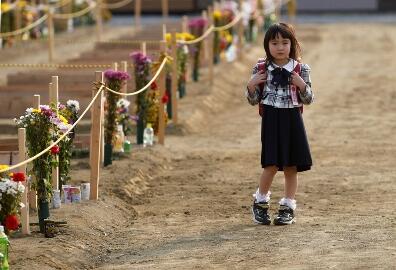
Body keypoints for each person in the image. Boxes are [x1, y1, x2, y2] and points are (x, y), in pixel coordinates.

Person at [245, 22, 314, 225]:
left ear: (292, 44)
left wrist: (301, 85)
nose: (280, 47)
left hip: (293, 119)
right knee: (271, 164)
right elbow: (253, 100)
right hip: (271, 119)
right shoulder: (260, 67)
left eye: (285, 42)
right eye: (275, 43)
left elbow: (309, 99)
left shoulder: (302, 69)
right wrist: (250, 85)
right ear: (267, 46)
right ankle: (260, 203)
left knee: (291, 166)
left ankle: (287, 207)